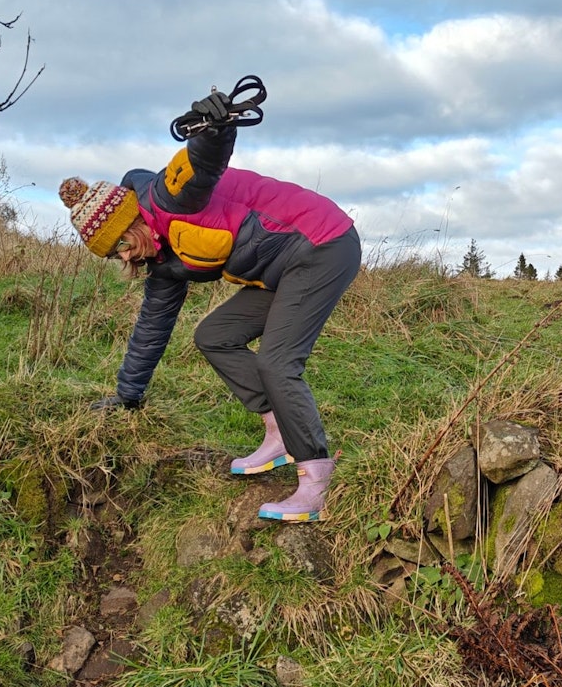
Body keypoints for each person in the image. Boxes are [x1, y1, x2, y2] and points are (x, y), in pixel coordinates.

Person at [58, 83, 360, 523]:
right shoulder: (161, 260)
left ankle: (316, 478)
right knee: (215, 335)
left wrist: (212, 125)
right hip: (279, 270)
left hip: (322, 242)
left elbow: (200, 162)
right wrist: (127, 396)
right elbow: (151, 329)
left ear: (131, 222)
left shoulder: (167, 196)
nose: (123, 257)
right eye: (113, 255)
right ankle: (278, 431)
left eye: (121, 244)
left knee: (278, 363)